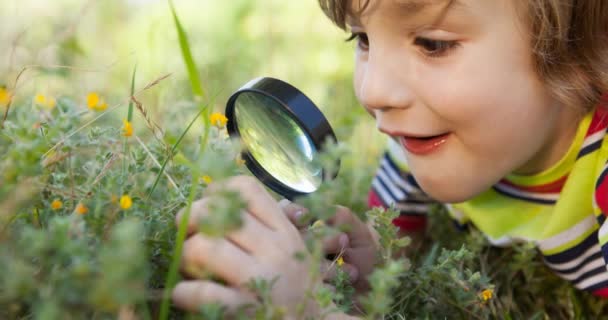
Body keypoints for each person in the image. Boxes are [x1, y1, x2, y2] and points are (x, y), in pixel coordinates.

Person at [172, 0, 608, 318]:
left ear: (586, 47)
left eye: (433, 44)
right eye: (362, 38)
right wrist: (373, 274)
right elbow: (398, 258)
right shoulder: (421, 140)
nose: (374, 91)